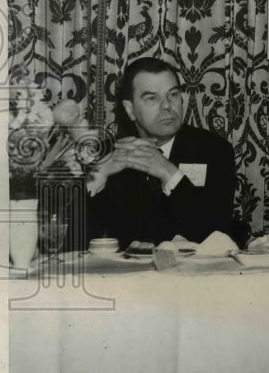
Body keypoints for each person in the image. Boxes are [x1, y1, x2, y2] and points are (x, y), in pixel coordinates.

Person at [82, 57, 240, 249]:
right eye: (152, 98)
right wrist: (98, 176)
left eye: (172, 95)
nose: (167, 106)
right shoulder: (107, 154)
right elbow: (74, 244)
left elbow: (216, 236)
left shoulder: (214, 150)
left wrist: (169, 174)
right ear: (130, 109)